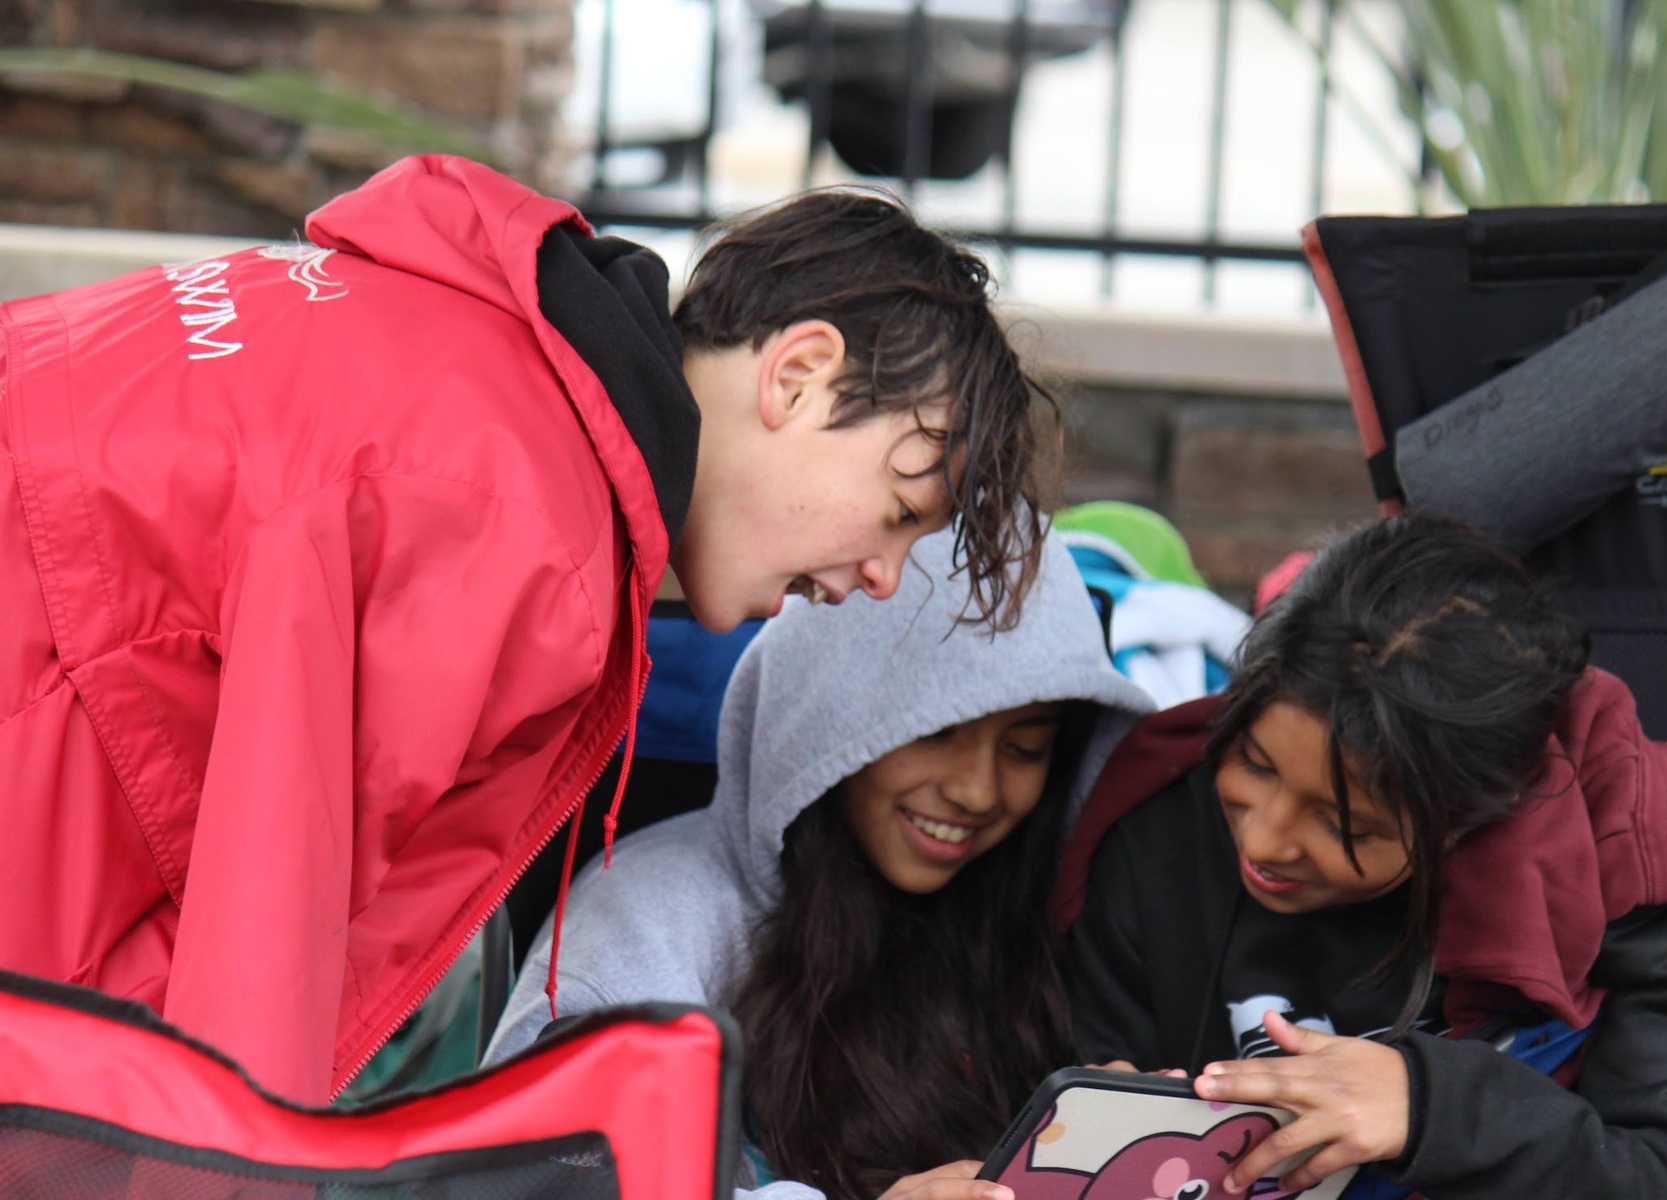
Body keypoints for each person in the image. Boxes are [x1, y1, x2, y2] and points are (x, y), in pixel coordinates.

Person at [0, 153, 1050, 1104]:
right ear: (798, 375)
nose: (880, 578)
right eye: (900, 511)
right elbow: (262, 943)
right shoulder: (530, 527)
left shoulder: (472, 333)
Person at [1057, 516, 1667, 1200]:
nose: (1267, 838)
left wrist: (1429, 1107)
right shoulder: (1161, 820)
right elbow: (1107, 1107)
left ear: (1469, 819)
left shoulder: (1625, 866)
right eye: (1254, 762)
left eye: (1346, 824)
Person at [486, 530, 1153, 1200]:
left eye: (1025, 747)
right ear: (830, 715)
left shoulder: (1035, 912)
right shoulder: (647, 917)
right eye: (937, 730)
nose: (977, 790)